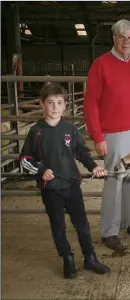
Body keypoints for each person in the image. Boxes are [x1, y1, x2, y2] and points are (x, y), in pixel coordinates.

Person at [19, 83, 110, 279]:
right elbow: (25, 159)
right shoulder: (37, 131)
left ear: (65, 106)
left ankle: (90, 257)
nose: (54, 107)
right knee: (58, 225)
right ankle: (67, 258)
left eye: (59, 103)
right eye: (50, 103)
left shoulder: (71, 129)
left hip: (71, 185)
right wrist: (41, 170)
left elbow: (81, 152)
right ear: (43, 105)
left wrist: (94, 167)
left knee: (82, 224)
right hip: (50, 188)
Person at [83, 19, 130, 251]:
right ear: (113, 38)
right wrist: (98, 136)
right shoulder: (100, 65)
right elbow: (90, 103)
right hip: (114, 133)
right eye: (122, 37)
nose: (126, 42)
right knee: (114, 181)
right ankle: (110, 230)